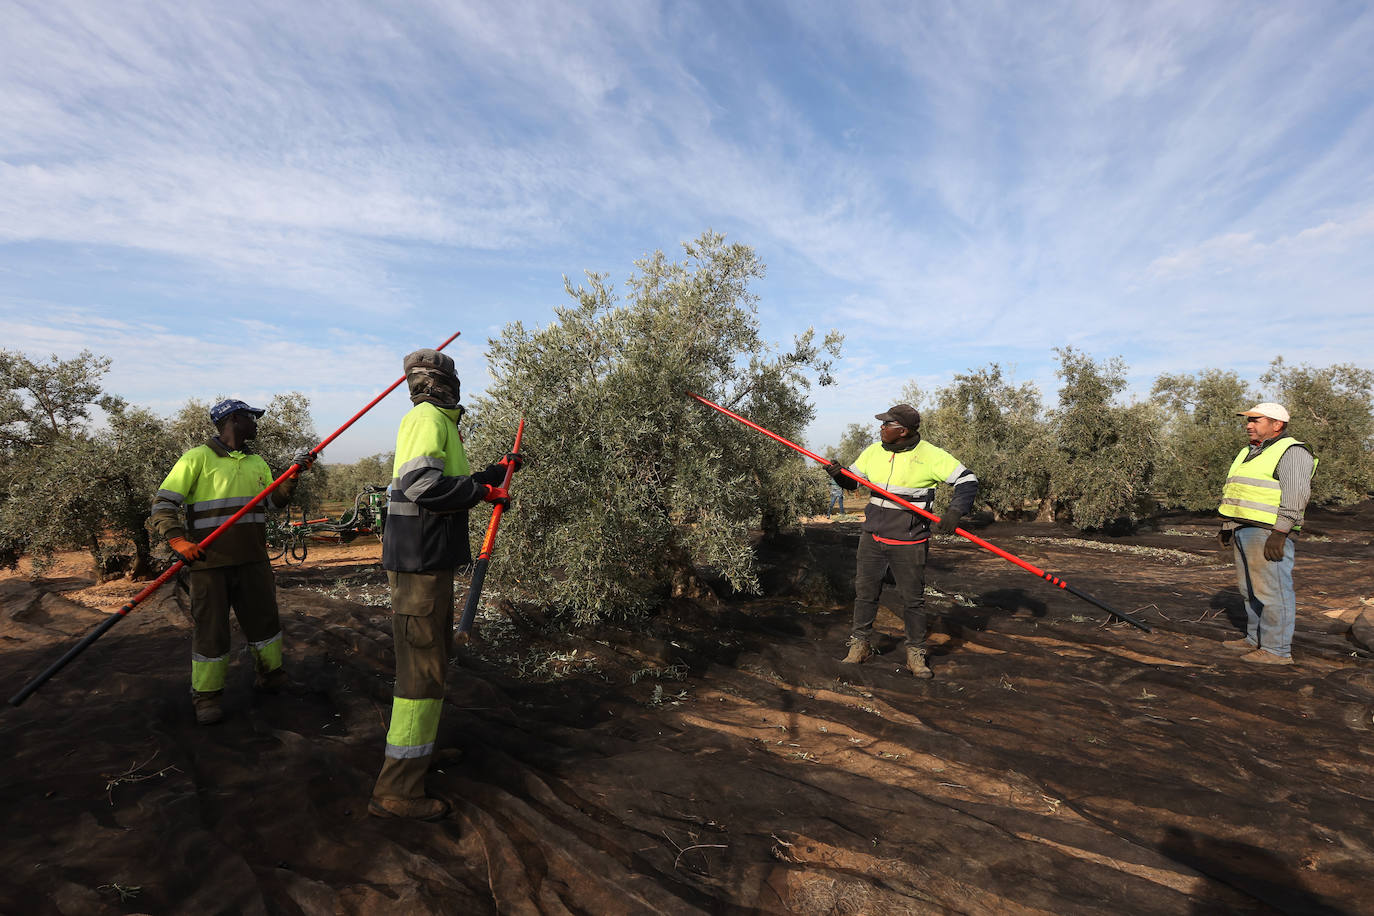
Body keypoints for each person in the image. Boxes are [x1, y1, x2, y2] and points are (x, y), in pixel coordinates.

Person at [369, 348, 520, 821]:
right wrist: (483, 492)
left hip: (427, 561)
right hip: (419, 565)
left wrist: (490, 476)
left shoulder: (438, 422)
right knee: (421, 672)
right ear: (442, 383)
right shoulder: (429, 418)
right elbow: (422, 489)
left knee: (432, 661)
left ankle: (419, 755)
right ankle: (397, 790)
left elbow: (442, 483)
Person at [150, 399, 313, 725]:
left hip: (253, 560)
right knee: (211, 631)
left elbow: (273, 501)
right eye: (252, 417)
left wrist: (293, 475)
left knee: (265, 624)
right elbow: (163, 503)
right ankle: (207, 697)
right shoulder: (197, 458)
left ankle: (271, 676)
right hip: (210, 564)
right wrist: (178, 540)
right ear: (234, 420)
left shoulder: (257, 462)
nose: (257, 423)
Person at [826, 404, 978, 679]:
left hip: (909, 540)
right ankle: (859, 646)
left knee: (913, 600)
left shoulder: (931, 455)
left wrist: (955, 512)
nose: (881, 428)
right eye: (882, 424)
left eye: (887, 425)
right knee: (865, 594)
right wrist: (840, 475)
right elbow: (853, 483)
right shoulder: (873, 451)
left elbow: (967, 480)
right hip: (872, 536)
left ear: (903, 430)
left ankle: (916, 654)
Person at [1217, 402, 1317, 666]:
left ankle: (1277, 650)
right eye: (1248, 421)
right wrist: (1227, 526)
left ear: (1277, 425)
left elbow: (1296, 494)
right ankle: (1255, 639)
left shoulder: (1292, 452)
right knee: (1250, 589)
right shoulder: (1250, 452)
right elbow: (1240, 492)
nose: (1248, 425)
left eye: (1255, 420)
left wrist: (1281, 531)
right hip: (1243, 528)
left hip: (1267, 532)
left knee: (1273, 591)